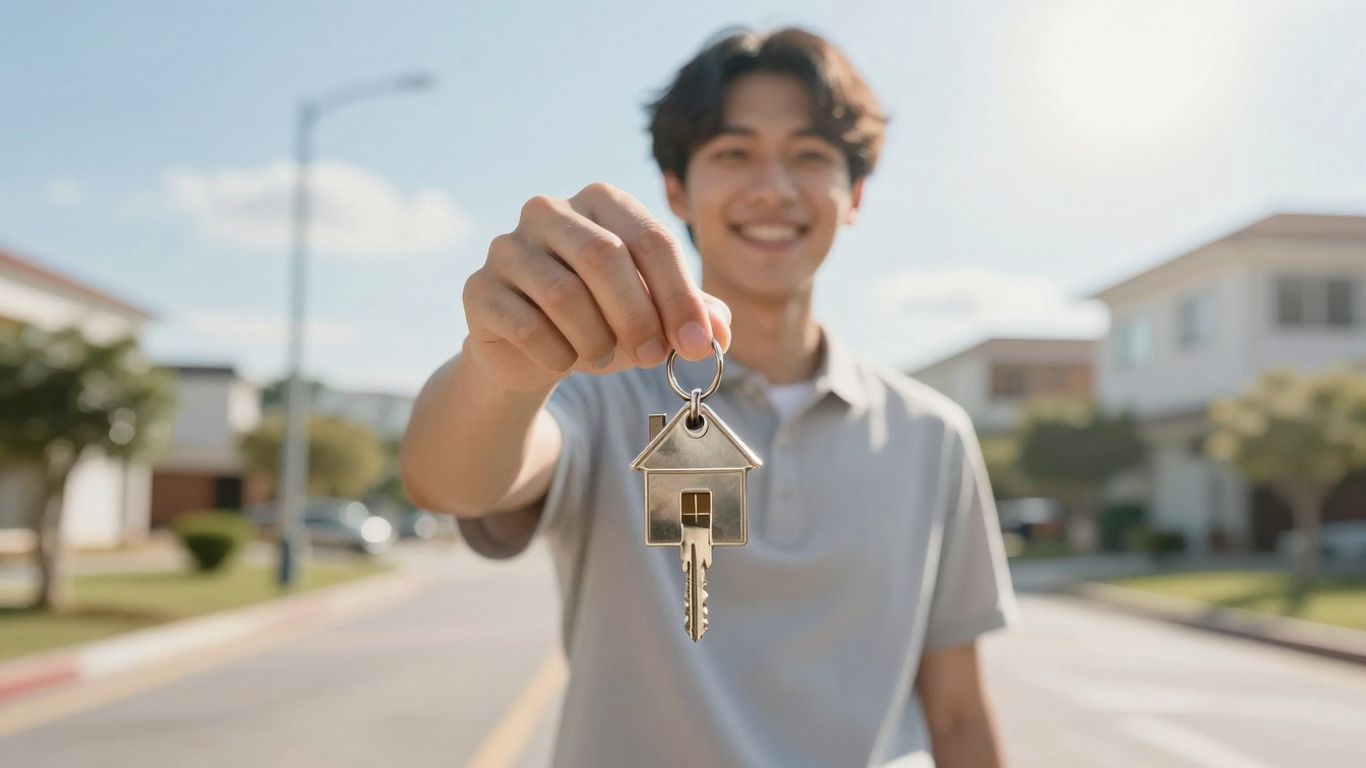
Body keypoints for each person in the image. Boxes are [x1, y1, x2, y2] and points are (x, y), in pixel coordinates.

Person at [401, 25, 1020, 768]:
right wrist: (500, 369)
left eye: (810, 156)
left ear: (852, 195)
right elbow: (450, 479)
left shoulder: (934, 435)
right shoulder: (598, 390)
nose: (773, 187)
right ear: (674, 190)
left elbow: (955, 714)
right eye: (734, 152)